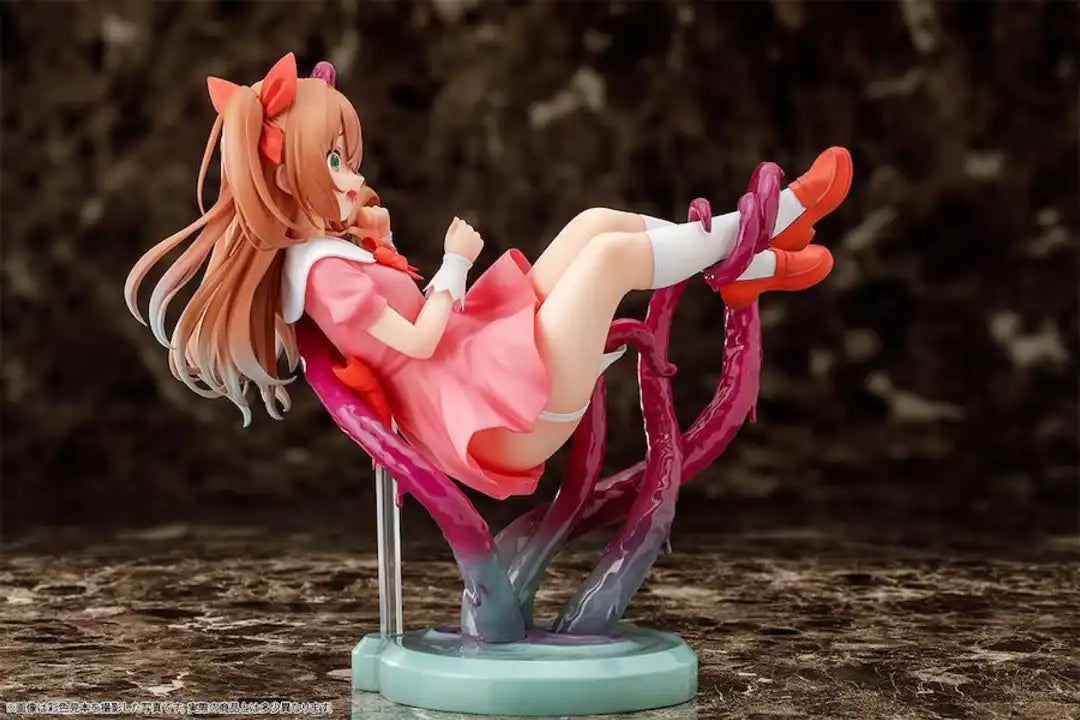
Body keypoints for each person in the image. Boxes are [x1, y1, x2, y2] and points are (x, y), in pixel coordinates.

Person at [125, 53, 851, 500]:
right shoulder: (322, 279)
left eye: (348, 157)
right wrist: (454, 263)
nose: (352, 175)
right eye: (334, 162)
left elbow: (405, 318)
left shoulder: (331, 253)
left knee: (594, 223)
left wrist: (385, 241)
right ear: (288, 181)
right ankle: (774, 216)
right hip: (497, 415)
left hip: (477, 362)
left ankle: (748, 258)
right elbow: (416, 341)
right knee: (607, 261)